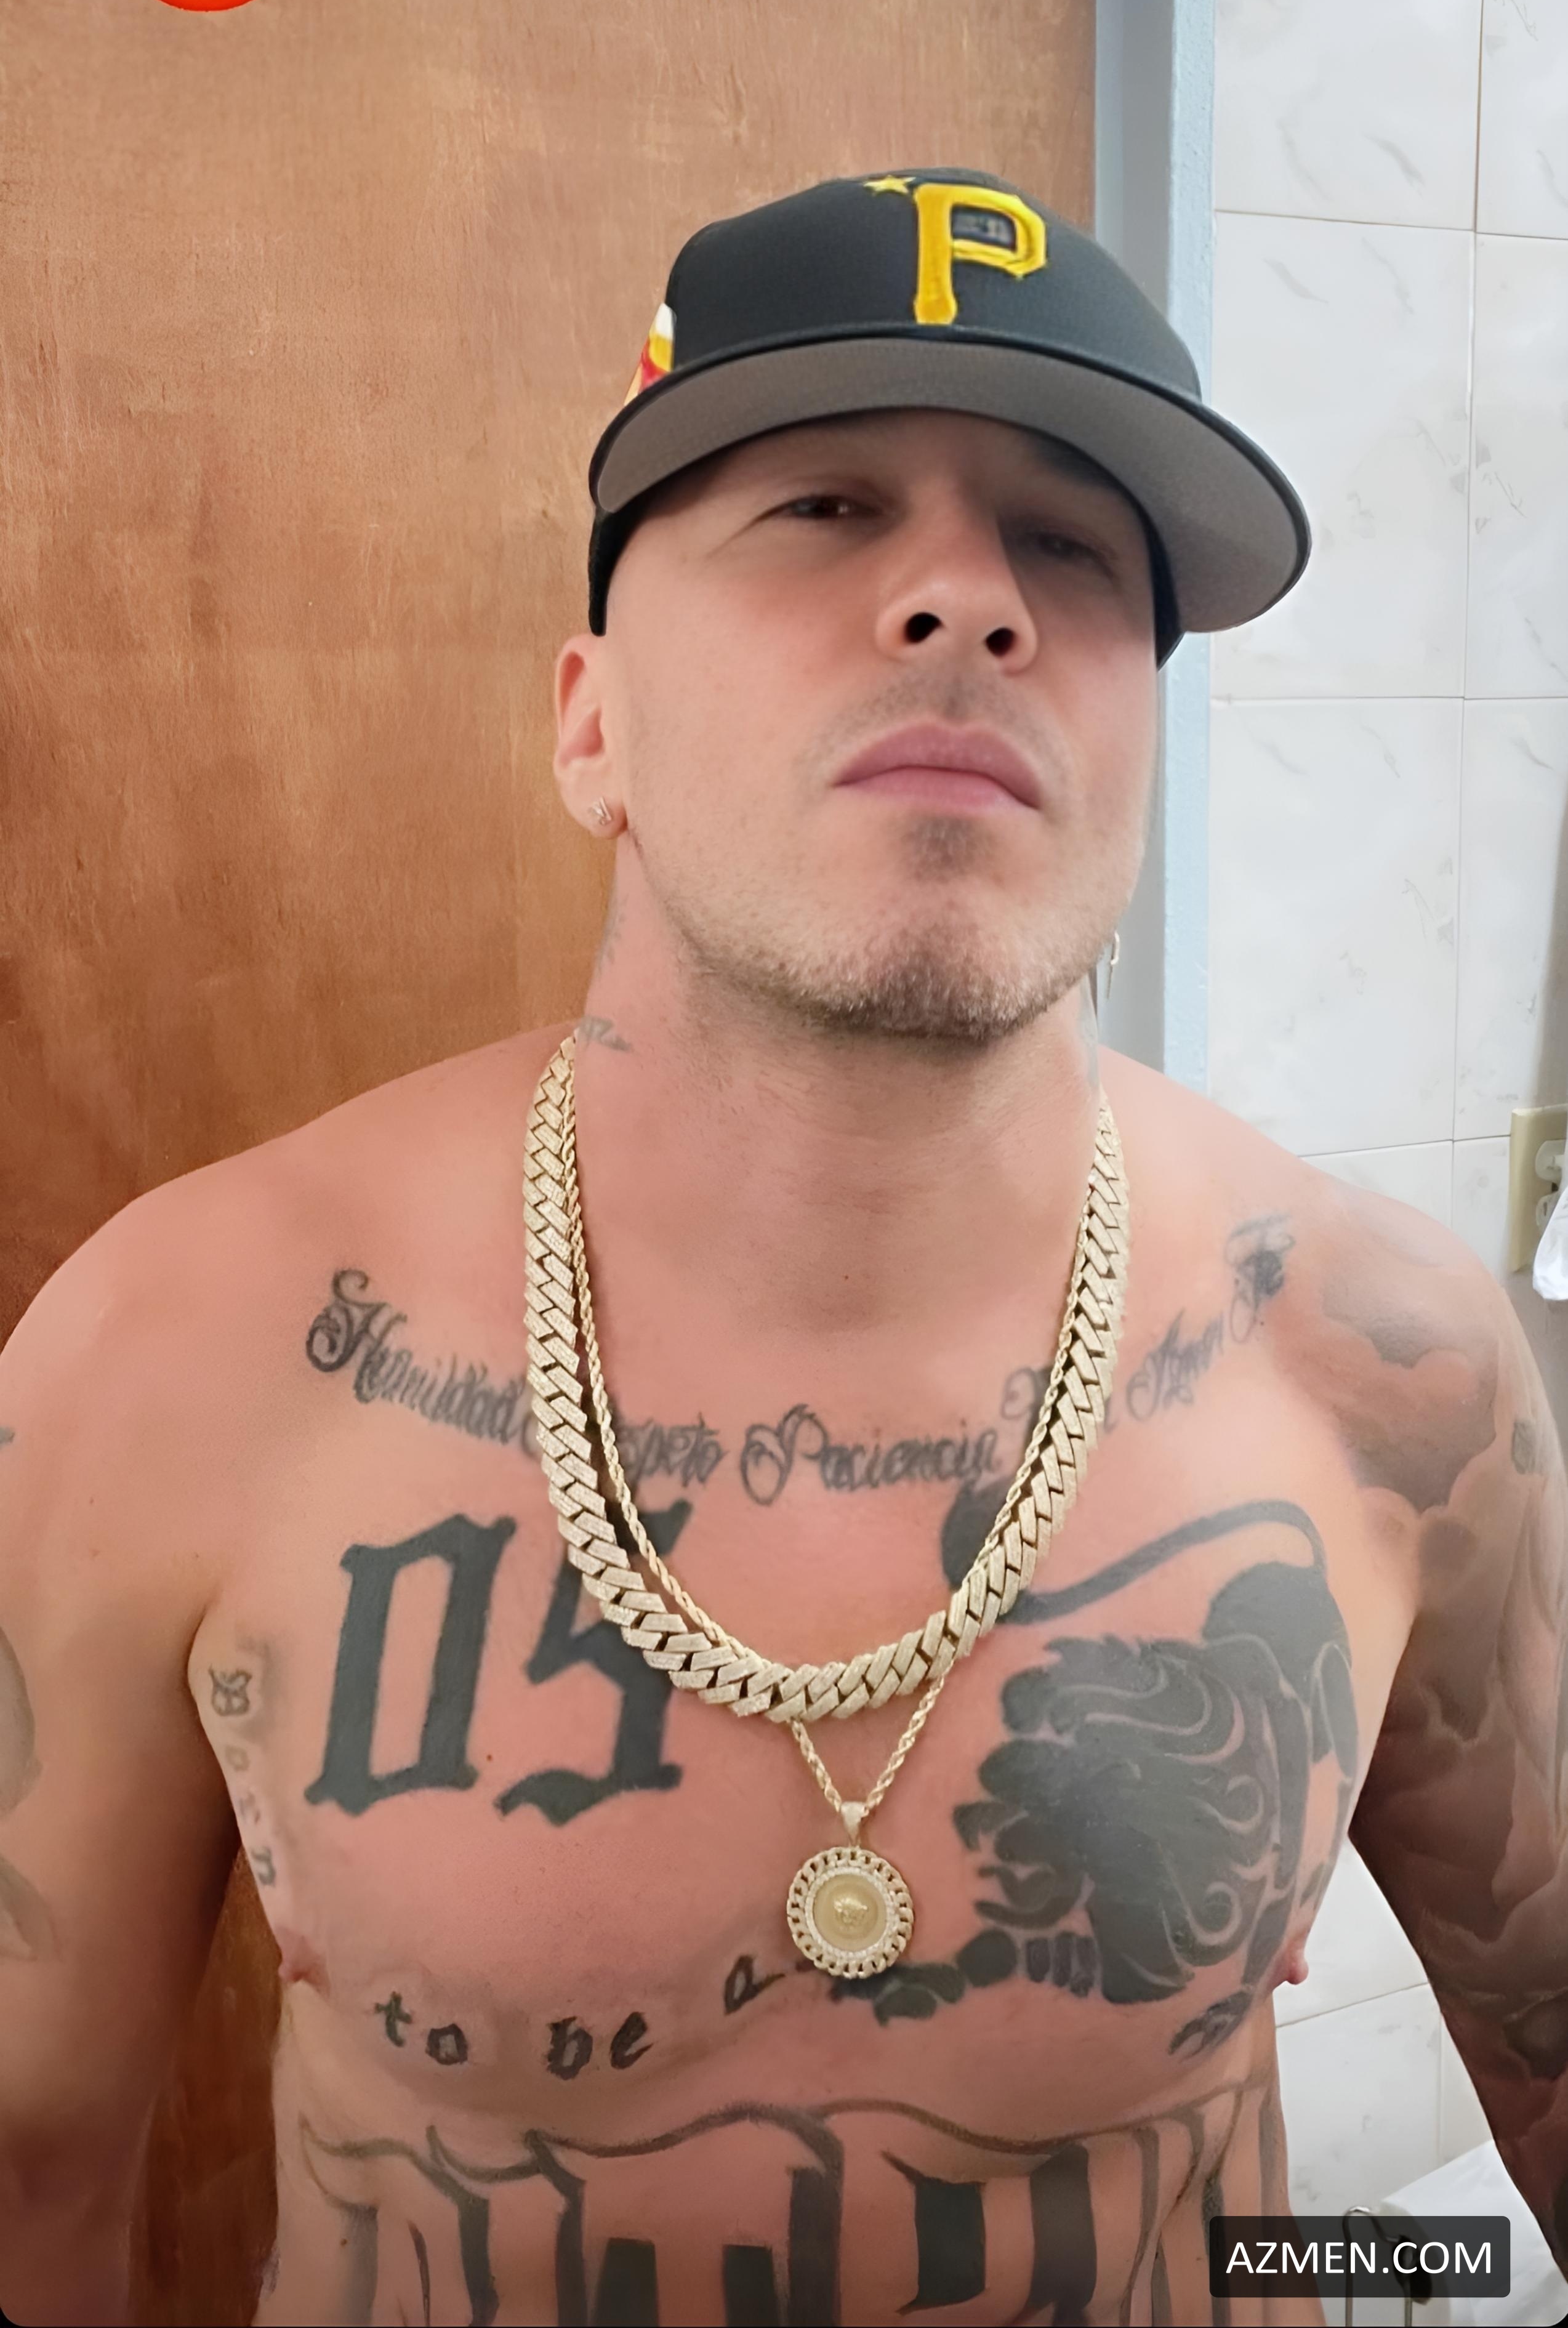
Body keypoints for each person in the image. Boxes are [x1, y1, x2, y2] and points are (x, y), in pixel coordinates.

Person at [1, 169, 1564, 2328]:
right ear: (591, 724)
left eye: (1072, 549)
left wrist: (1328, 2269)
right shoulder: (177, 1351)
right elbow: (32, 2184)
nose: (967, 599)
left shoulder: (1387, 1366)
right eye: (823, 507)